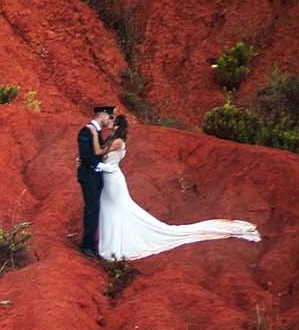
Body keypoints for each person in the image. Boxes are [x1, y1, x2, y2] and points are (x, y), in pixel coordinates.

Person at [94, 114, 262, 261]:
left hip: (113, 179)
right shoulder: (116, 140)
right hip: (110, 177)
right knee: (113, 209)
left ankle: (117, 243)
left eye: (112, 121)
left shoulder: (117, 141)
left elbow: (99, 152)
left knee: (118, 209)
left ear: (117, 126)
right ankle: (115, 241)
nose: (110, 122)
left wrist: (93, 132)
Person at [76, 103, 114, 254]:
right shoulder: (87, 130)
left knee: (94, 209)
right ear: (103, 115)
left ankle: (90, 243)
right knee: (92, 209)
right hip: (89, 176)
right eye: (110, 117)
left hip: (94, 175)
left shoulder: (95, 132)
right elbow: (86, 155)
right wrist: (98, 166)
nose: (110, 120)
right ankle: (87, 245)